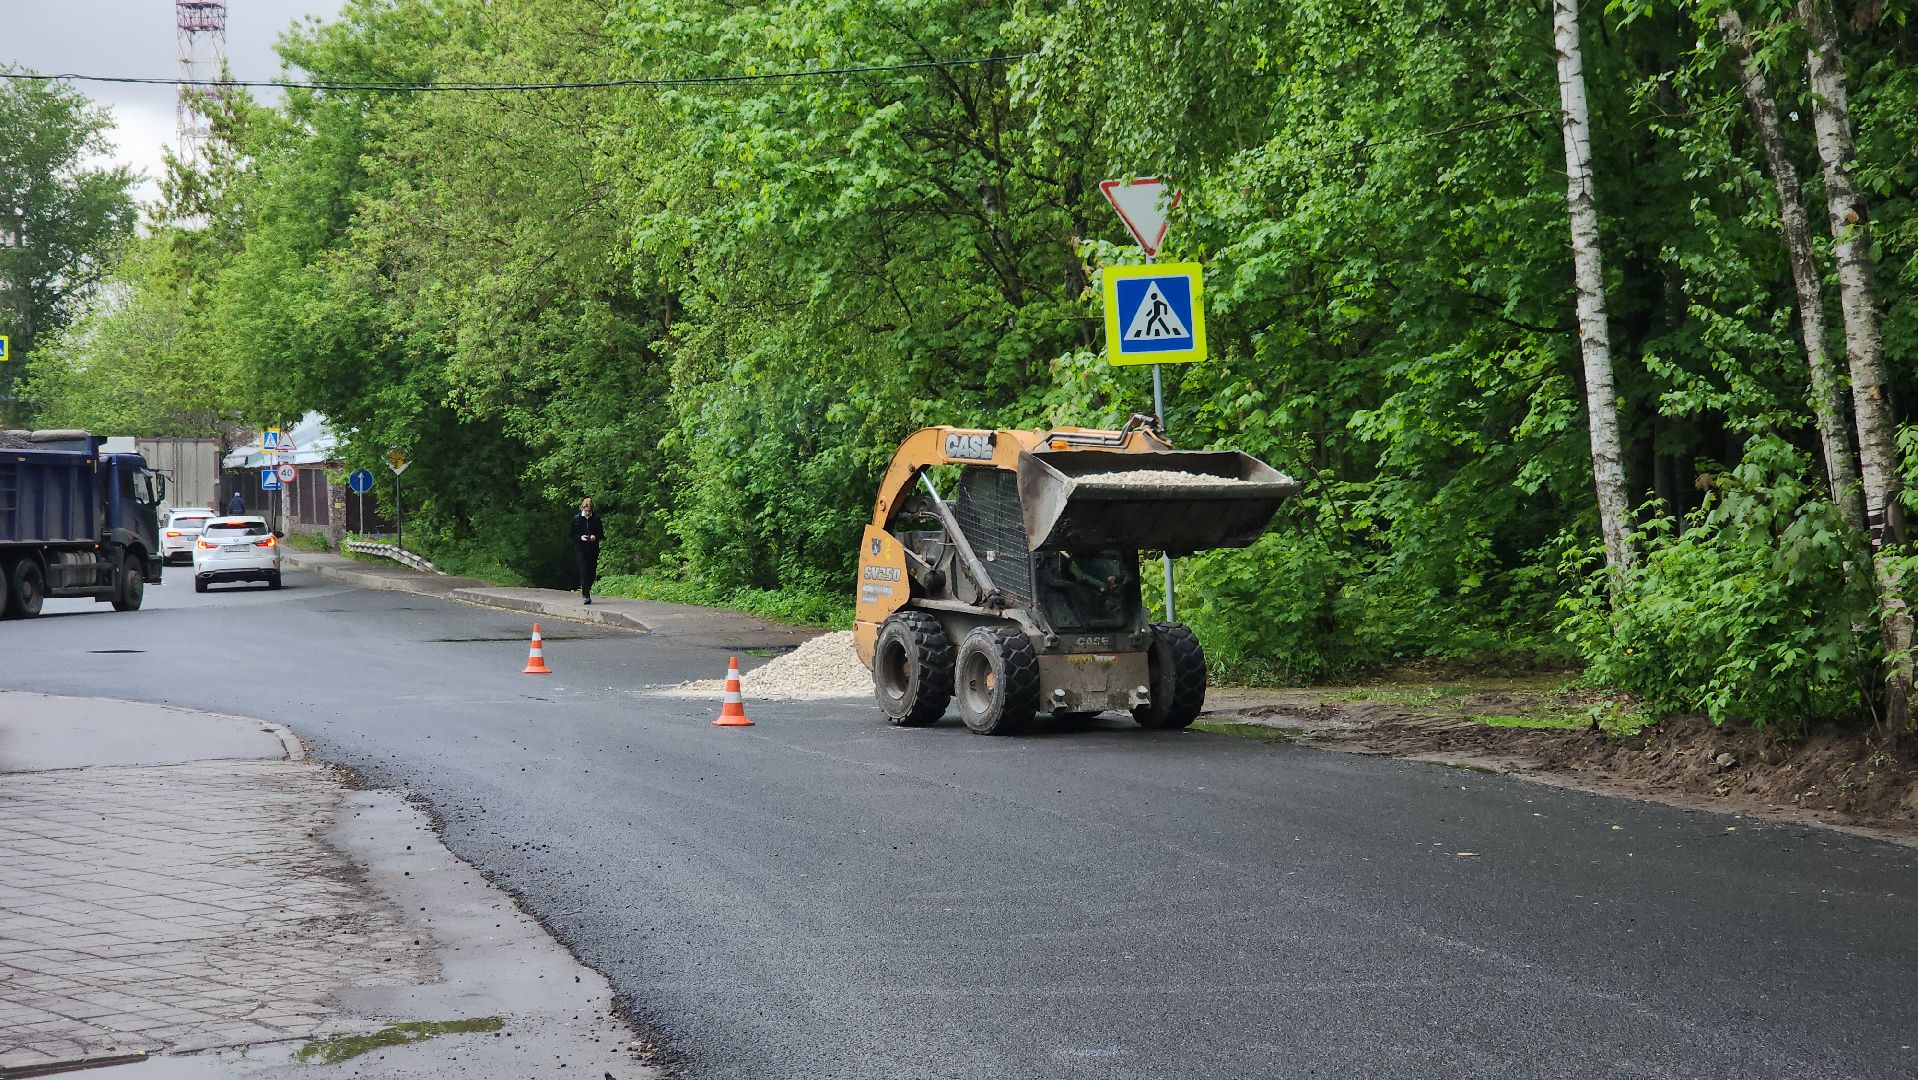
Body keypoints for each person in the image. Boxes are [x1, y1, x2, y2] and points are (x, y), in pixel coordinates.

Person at [571, 497, 603, 604]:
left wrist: (595, 537)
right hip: (581, 549)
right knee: (584, 570)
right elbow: (572, 534)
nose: (588, 513)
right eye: (586, 511)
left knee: (592, 572)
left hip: (593, 549)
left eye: (589, 511)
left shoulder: (596, 519)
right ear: (583, 509)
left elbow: (601, 533)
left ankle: (587, 589)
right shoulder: (577, 519)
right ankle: (585, 594)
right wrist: (580, 537)